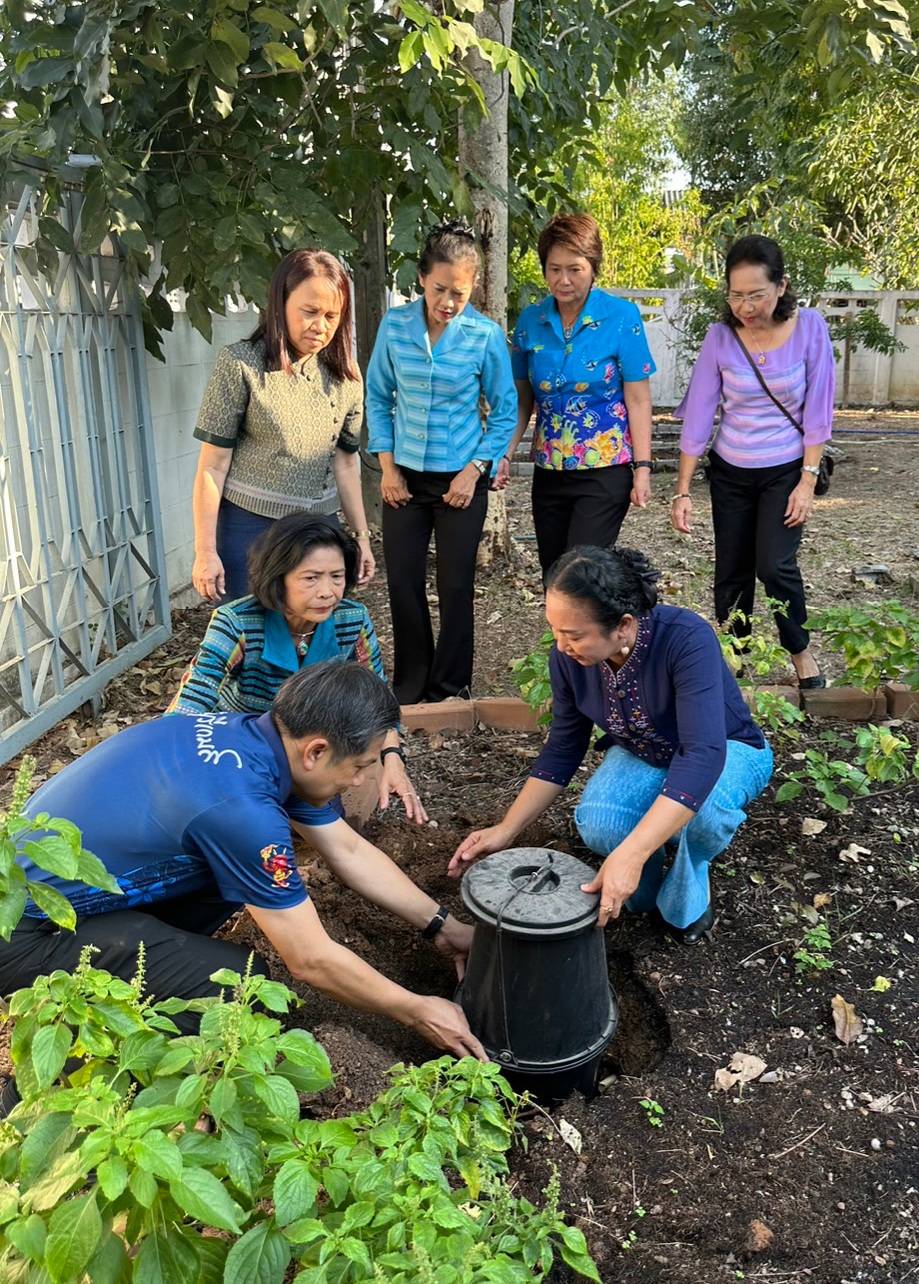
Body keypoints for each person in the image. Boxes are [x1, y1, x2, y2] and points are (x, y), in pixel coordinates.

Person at [1, 662, 484, 1059]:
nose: (360, 782)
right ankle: (106, 1061)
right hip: (21, 933)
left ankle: (147, 969)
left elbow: (349, 849)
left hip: (41, 894)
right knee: (242, 992)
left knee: (222, 879)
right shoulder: (241, 810)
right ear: (317, 750)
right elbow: (311, 960)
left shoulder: (254, 742)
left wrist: (443, 927)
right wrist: (416, 1009)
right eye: (359, 766)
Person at [449, 547, 773, 943]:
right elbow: (564, 748)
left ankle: (687, 889)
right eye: (555, 630)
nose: (561, 645)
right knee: (600, 823)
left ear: (622, 626)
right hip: (648, 754)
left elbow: (702, 754)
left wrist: (632, 852)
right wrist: (506, 828)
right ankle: (643, 881)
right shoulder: (568, 659)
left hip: (726, 749)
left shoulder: (685, 638)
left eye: (573, 635)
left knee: (702, 812)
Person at [170, 513, 425, 822]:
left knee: (328, 824)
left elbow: (377, 698)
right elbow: (195, 695)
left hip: (311, 755)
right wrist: (171, 770)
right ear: (279, 578)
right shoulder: (236, 622)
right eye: (311, 578)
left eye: (337, 576)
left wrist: (393, 760)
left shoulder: (351, 619)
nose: (327, 592)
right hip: (241, 748)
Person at [671, 234, 834, 688]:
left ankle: (799, 649)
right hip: (731, 470)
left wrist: (807, 480)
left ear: (781, 286)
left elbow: (818, 411)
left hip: (785, 468)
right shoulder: (721, 338)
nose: (745, 305)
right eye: (736, 294)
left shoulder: (810, 328)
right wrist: (683, 490)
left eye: (756, 294)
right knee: (733, 567)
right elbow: (700, 413)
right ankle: (736, 654)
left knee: (775, 565)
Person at [365, 220, 517, 704]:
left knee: (455, 587)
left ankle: (450, 687)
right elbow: (377, 398)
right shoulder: (394, 327)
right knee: (403, 582)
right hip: (403, 480)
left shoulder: (484, 336)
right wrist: (388, 469)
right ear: (422, 279)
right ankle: (410, 685)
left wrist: (473, 472)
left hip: (460, 482)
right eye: (439, 289)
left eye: (460, 292)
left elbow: (505, 410)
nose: (449, 302)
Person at [191, 249, 375, 604]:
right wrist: (205, 551)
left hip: (320, 536)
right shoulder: (240, 364)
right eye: (309, 312)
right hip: (249, 533)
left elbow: (346, 463)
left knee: (316, 648)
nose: (320, 326)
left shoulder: (346, 378)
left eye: (331, 316)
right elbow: (212, 467)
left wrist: (362, 537)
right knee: (252, 645)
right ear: (280, 304)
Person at [502, 213, 656, 579]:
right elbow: (523, 400)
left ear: (593, 267)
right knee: (554, 575)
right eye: (554, 269)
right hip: (550, 471)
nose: (564, 280)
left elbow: (638, 399)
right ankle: (561, 639)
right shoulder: (531, 321)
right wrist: (504, 453)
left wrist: (644, 468)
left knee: (582, 575)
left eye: (575, 269)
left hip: (606, 469)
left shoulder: (621, 317)